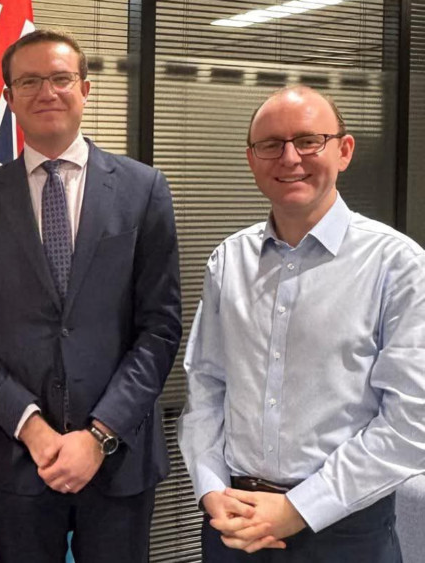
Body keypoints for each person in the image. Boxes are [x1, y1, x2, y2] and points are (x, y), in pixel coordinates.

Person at [0, 29, 182, 563]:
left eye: (60, 78)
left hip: (119, 458)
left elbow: (160, 327)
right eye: (29, 81)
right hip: (18, 456)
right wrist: (32, 427)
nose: (45, 92)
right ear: (7, 98)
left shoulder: (143, 189)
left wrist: (98, 435)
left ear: (85, 88)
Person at [178, 85, 425, 562]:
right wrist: (212, 491)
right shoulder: (228, 259)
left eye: (308, 140)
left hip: (344, 530)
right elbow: (207, 388)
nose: (289, 158)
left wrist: (299, 508)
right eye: (270, 145)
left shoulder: (398, 264)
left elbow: (411, 421)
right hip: (233, 521)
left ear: (344, 150)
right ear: (252, 159)